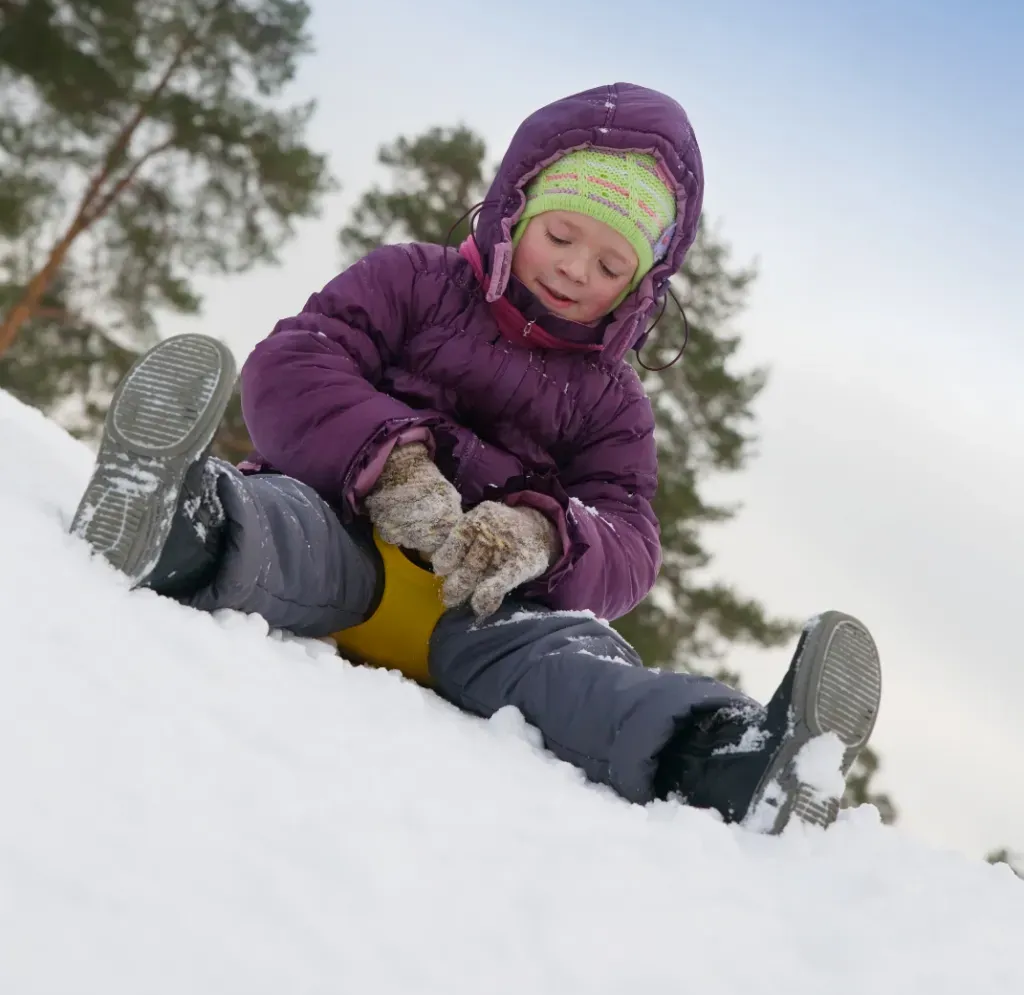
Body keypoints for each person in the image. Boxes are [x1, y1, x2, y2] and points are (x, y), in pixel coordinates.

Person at [70, 82, 881, 834]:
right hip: (348, 536)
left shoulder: (612, 405)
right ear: (513, 209)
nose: (573, 269)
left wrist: (544, 538)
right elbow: (297, 362)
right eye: (562, 235)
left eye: (610, 265)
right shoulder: (412, 282)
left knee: (574, 669)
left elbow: (630, 538)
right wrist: (389, 465)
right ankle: (174, 518)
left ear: (643, 287)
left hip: (486, 615)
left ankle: (729, 756)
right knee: (281, 534)